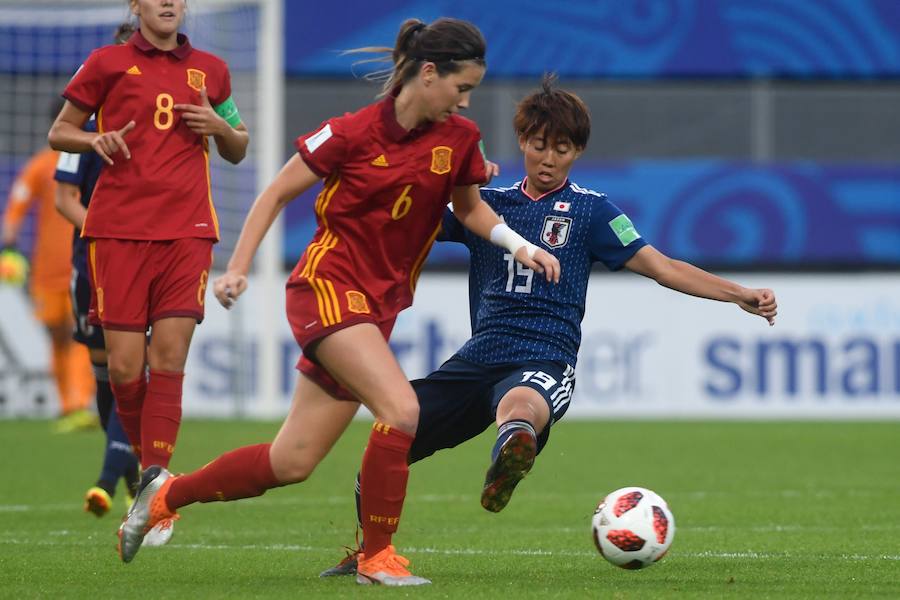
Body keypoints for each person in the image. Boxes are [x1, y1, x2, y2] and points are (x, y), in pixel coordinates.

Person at [114, 17, 560, 586]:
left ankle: (162, 496)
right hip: (325, 288)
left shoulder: (459, 140)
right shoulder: (350, 132)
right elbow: (275, 191)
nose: (465, 101)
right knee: (402, 411)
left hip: (376, 307)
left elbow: (471, 210)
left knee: (290, 461)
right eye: (461, 87)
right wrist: (239, 267)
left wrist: (520, 246)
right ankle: (377, 557)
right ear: (428, 74)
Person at [318, 74, 779, 577]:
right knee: (390, 435)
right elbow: (411, 214)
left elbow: (662, 266)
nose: (548, 158)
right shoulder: (485, 204)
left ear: (577, 151)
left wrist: (740, 294)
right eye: (539, 145)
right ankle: (369, 553)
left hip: (545, 355)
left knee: (520, 405)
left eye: (561, 148)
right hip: (478, 356)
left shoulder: (592, 211)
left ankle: (512, 453)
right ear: (522, 142)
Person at [47, 0, 249, 542]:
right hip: (117, 234)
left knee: (170, 358)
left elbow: (239, 143)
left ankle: (156, 487)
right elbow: (60, 132)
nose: (167, 3)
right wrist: (94, 139)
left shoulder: (212, 70)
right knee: (124, 369)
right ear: (136, 5)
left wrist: (218, 126)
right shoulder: (106, 63)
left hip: (187, 233)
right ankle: (149, 477)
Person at [54, 22, 142, 520]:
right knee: (108, 378)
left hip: (144, 264)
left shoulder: (165, 125)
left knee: (132, 372)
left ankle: (107, 481)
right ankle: (132, 481)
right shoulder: (81, 129)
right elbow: (64, 198)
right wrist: (109, 235)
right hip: (90, 264)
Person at [2, 100, 96, 433]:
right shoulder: (42, 165)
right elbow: (17, 203)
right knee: (58, 337)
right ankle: (67, 404)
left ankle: (79, 404)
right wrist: (10, 245)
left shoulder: (90, 160)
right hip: (45, 271)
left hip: (81, 263)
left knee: (80, 334)